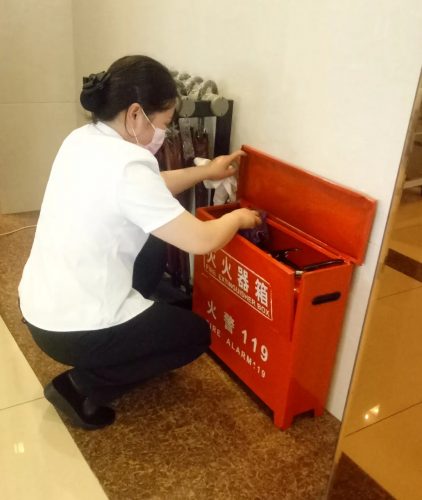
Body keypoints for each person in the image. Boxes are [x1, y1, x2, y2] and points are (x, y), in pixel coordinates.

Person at [18, 55, 261, 430]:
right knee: (194, 336)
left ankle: (133, 329)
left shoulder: (82, 139)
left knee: (152, 243)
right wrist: (238, 218)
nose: (162, 133)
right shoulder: (128, 164)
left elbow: (148, 191)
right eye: (162, 123)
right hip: (73, 328)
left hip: (40, 305)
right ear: (135, 114)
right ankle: (82, 385)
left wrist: (206, 172)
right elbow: (200, 240)